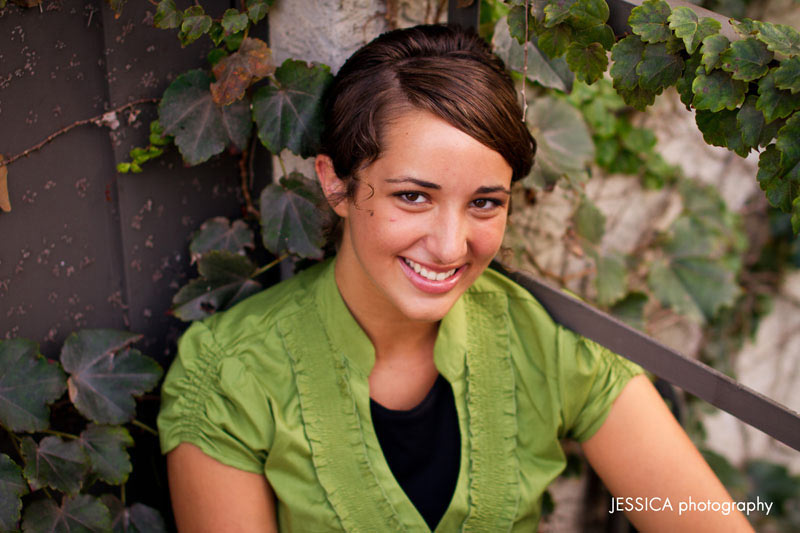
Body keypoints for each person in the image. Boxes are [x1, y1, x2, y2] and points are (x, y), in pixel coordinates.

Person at [158, 24, 753, 532]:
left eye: (485, 203)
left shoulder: (545, 343)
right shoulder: (230, 376)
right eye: (413, 196)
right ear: (335, 183)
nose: (450, 246)